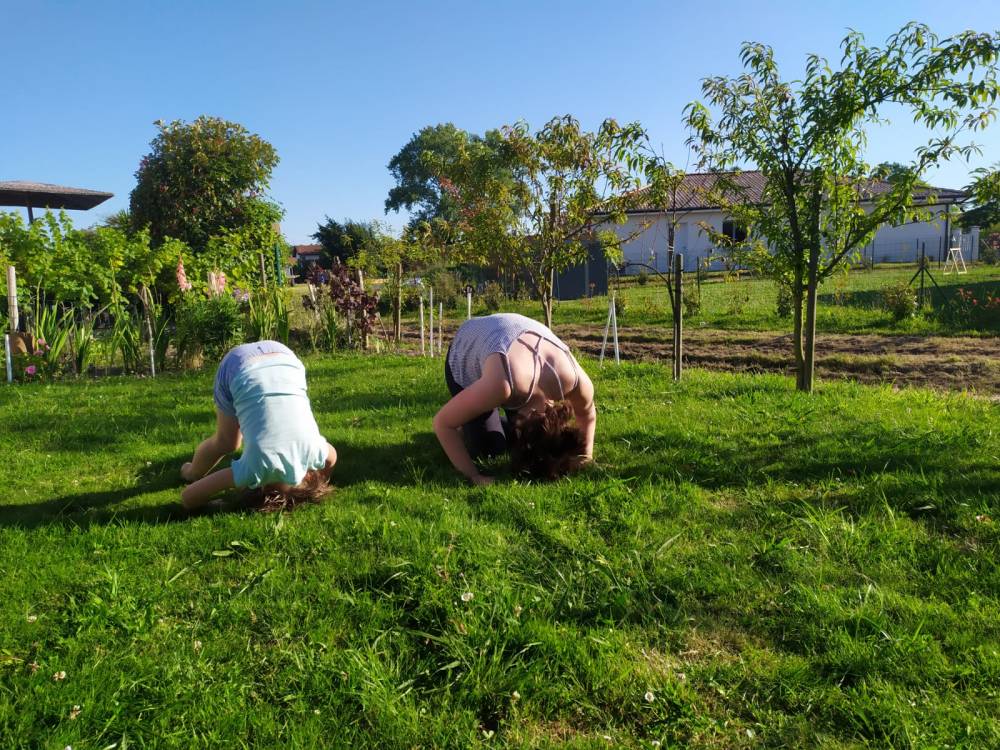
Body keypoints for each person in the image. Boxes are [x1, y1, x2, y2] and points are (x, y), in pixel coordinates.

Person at [434, 313, 595, 484]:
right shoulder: (501, 384)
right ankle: (467, 422)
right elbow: (442, 424)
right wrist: (474, 476)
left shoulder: (573, 379)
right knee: (489, 448)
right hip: (467, 346)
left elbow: (587, 412)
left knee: (505, 438)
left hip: (505, 342)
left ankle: (478, 417)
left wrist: (585, 455)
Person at [181, 341, 337, 510]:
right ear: (261, 487)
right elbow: (188, 497)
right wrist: (212, 505)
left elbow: (332, 457)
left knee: (228, 443)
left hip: (283, 357)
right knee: (226, 442)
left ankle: (192, 471)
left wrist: (321, 479)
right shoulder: (255, 471)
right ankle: (191, 472)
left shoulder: (314, 452)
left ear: (307, 478)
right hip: (240, 368)